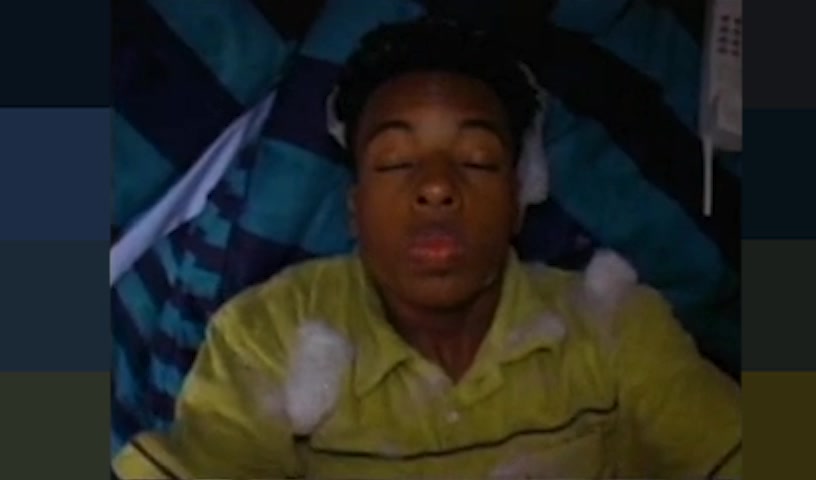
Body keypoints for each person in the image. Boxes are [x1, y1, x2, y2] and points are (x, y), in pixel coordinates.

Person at [112, 17, 741, 479]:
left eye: (477, 159)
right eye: (394, 162)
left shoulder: (613, 327)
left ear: (518, 199)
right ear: (355, 209)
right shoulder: (269, 333)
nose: (437, 186)